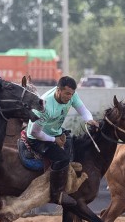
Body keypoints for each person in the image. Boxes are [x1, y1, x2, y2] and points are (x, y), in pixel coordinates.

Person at [26, 75, 99, 204]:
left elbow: (82, 109)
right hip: (38, 138)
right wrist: (54, 140)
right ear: (58, 90)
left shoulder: (71, 95)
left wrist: (89, 119)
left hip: (56, 132)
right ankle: (56, 193)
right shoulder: (44, 105)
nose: (69, 97)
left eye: (72, 94)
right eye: (67, 94)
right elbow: (35, 132)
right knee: (63, 158)